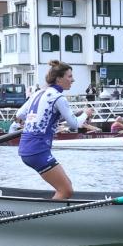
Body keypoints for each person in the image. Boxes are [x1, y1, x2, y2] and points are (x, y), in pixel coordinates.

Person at [13, 61, 90, 200]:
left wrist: (43, 119)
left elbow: (19, 115)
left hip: (26, 148)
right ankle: (44, 220)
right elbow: (75, 125)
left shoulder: (38, 93)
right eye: (69, 76)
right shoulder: (58, 97)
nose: (73, 80)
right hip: (38, 150)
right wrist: (86, 113)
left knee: (65, 187)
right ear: (59, 79)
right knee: (66, 190)